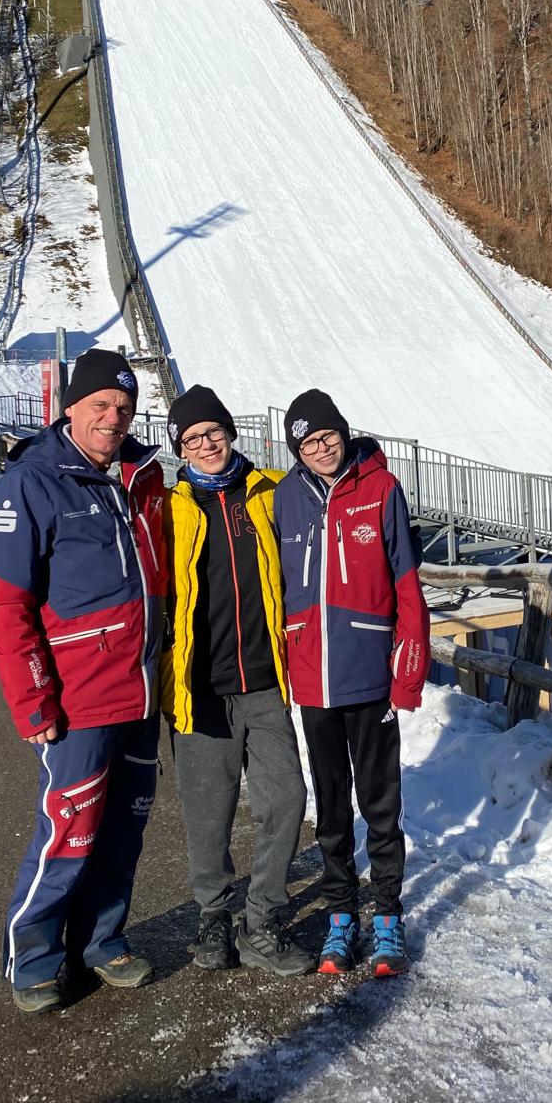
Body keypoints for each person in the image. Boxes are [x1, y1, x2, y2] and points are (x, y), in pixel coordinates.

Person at [0, 349, 167, 1014]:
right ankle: (34, 958)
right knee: (69, 832)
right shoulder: (31, 484)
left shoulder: (143, 477)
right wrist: (33, 700)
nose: (113, 418)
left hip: (141, 694)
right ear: (71, 408)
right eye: (101, 405)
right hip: (79, 698)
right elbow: (6, 605)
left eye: (124, 408)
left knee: (124, 832)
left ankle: (100, 941)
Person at [273, 389, 430, 976]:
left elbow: (408, 584)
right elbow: (278, 585)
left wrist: (407, 672)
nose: (321, 449)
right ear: (296, 451)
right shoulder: (285, 497)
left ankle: (386, 914)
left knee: (380, 803)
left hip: (369, 675)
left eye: (328, 436)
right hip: (313, 680)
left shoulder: (381, 489)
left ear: (343, 433)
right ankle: (342, 913)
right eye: (308, 443)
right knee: (332, 807)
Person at [161, 385, 313, 976]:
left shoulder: (271, 492)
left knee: (287, 799)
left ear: (230, 433)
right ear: (180, 447)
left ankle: (262, 919)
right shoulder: (168, 508)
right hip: (200, 688)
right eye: (192, 438)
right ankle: (213, 915)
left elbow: (333, 491)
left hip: (265, 685)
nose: (205, 444)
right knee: (209, 813)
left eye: (213, 432)